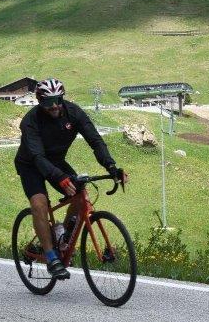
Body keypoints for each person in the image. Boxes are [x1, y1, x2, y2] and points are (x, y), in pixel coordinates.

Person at [14, 78, 125, 281]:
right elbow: (38, 157)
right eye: (49, 102)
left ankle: (62, 236)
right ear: (40, 101)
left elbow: (95, 140)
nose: (54, 105)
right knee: (39, 204)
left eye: (58, 100)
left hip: (56, 161)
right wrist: (60, 178)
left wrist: (111, 166)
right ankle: (51, 257)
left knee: (80, 193)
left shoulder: (74, 112)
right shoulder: (30, 121)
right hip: (31, 164)